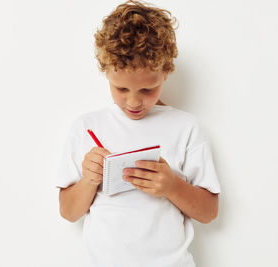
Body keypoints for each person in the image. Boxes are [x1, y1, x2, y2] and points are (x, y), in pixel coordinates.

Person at [56, 1, 221, 266]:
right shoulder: (86, 127)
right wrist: (88, 180)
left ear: (166, 72)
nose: (133, 102)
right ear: (105, 72)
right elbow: (68, 212)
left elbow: (209, 212)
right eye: (121, 89)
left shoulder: (187, 128)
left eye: (147, 90)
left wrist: (172, 186)